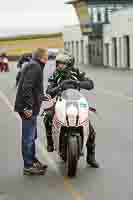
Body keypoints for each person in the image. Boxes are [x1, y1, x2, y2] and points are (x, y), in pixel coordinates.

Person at [44, 51, 100, 168]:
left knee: (90, 130)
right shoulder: (55, 75)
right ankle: (50, 143)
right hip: (60, 102)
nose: (59, 65)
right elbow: (48, 90)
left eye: (61, 64)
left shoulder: (76, 72)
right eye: (58, 63)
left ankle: (91, 157)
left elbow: (90, 84)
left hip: (76, 102)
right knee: (48, 116)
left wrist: (78, 83)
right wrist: (59, 86)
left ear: (69, 64)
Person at [14, 48, 49, 175]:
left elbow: (33, 87)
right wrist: (27, 107)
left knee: (32, 136)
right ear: (41, 57)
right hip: (27, 108)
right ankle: (28, 166)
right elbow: (27, 87)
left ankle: (32, 161)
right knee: (28, 138)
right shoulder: (35, 67)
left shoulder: (34, 65)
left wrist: (41, 96)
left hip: (30, 107)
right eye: (46, 56)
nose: (48, 59)